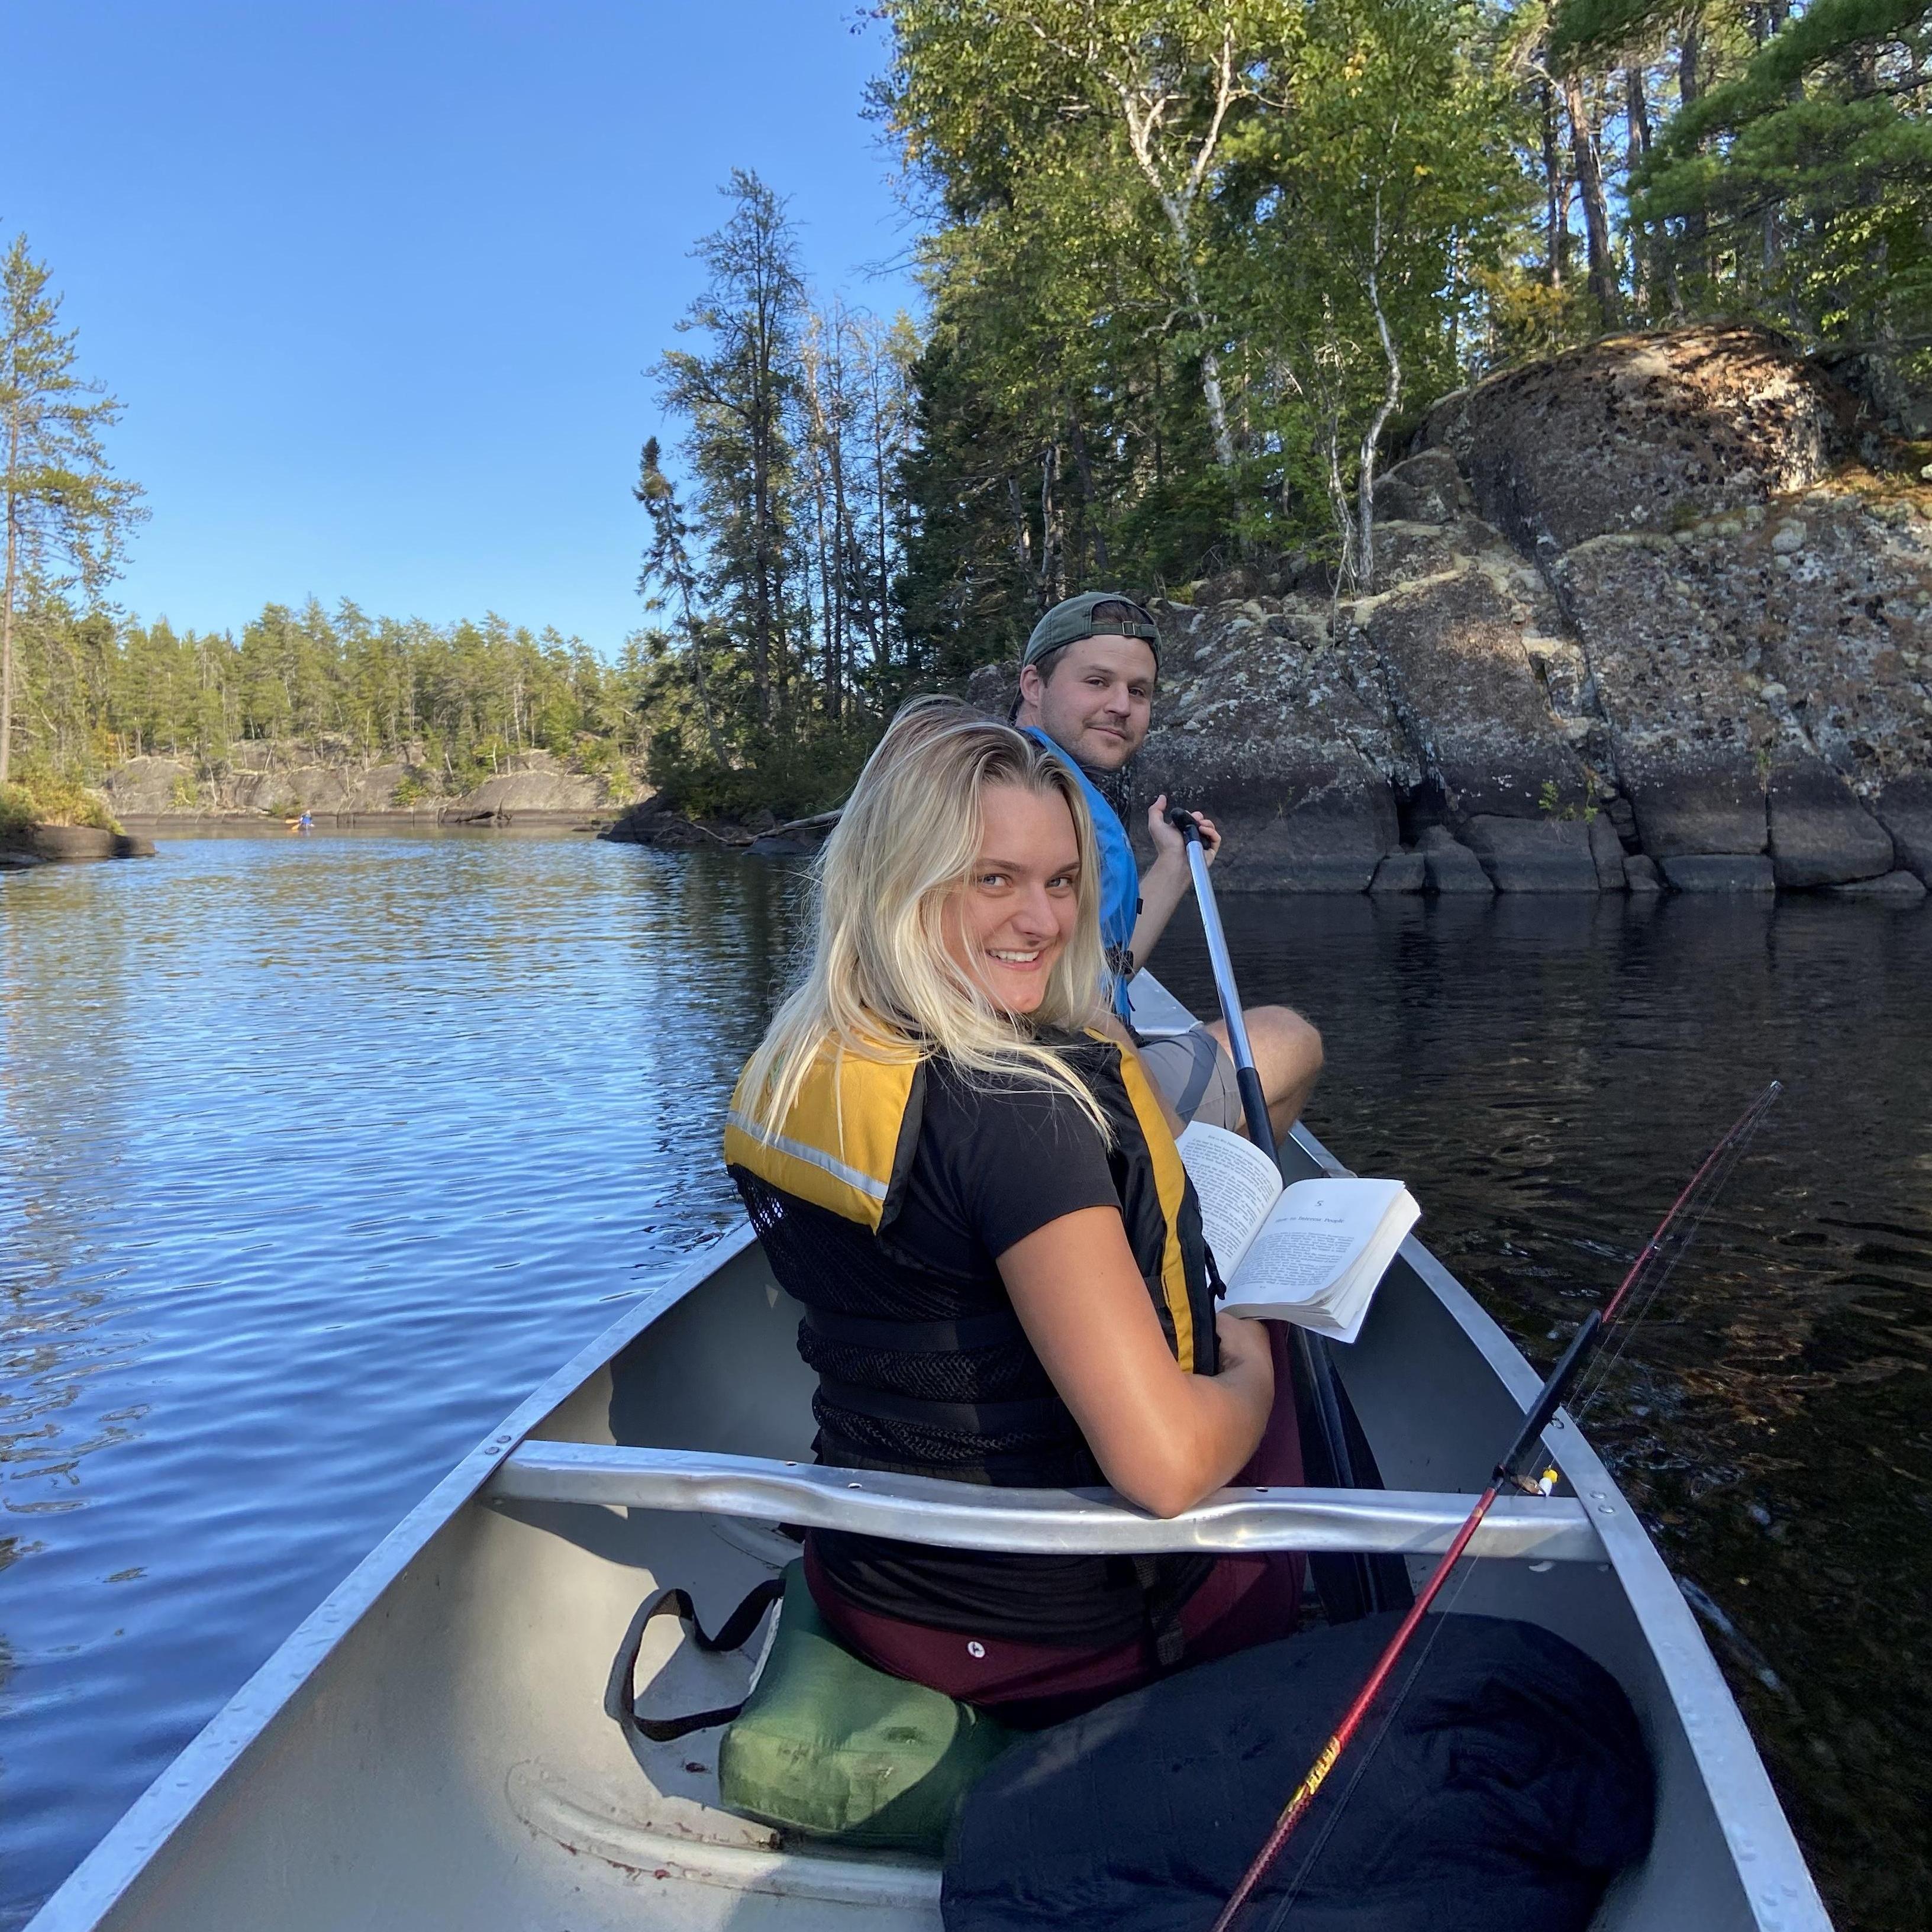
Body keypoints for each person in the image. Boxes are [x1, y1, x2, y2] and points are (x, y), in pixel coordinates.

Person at [725, 697, 1304, 1727]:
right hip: (1047, 1643)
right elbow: (1167, 1470)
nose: (1043, 921)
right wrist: (1254, 1361)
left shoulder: (796, 1062)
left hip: (872, 1587)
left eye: (1063, 883)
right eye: (994, 879)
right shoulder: (1014, 1116)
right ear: (896, 882)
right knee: (1287, 1353)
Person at [1012, 591, 1323, 1143]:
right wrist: (1157, 1123)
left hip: (1070, 1067)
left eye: (1138, 691)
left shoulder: (1041, 779)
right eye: (1096, 682)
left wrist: (1175, 867)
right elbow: (1067, 1010)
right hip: (1064, 1091)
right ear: (1033, 686)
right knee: (1291, 1039)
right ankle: (1209, 1209)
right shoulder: (1033, 796)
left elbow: (1105, 965)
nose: (1120, 705)